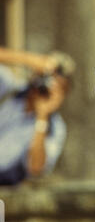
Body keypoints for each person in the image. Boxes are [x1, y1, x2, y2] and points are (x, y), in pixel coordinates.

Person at [0, 47, 75, 185]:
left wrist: (42, 116)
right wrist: (28, 59)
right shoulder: (8, 89)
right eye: (47, 77)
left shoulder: (54, 128)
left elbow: (35, 168)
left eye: (58, 84)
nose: (47, 86)